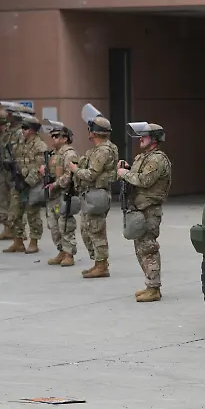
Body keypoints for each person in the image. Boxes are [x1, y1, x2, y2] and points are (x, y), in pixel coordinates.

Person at [117, 122, 172, 302]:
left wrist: (124, 173)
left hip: (149, 209)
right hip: (140, 208)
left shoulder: (157, 159)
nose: (141, 138)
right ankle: (150, 284)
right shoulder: (144, 157)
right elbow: (135, 175)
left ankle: (154, 288)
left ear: (154, 139)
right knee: (140, 248)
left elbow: (144, 180)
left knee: (148, 248)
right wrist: (127, 168)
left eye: (145, 136)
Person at [68, 114, 118, 278]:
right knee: (86, 229)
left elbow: (91, 175)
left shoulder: (103, 151)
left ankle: (102, 265)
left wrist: (75, 170)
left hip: (97, 194)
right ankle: (98, 262)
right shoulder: (98, 150)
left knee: (96, 230)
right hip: (90, 194)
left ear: (94, 132)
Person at [0, 102, 34, 242]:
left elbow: (21, 151)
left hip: (14, 171)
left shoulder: (20, 132)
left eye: (10, 113)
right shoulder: (9, 131)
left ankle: (19, 233)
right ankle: (8, 229)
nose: (8, 116)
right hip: (4, 169)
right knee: (3, 201)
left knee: (15, 203)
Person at [41, 122, 79, 267]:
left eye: (57, 136)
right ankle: (61, 250)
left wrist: (55, 184)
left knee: (65, 225)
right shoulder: (53, 154)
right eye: (52, 136)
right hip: (54, 196)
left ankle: (69, 253)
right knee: (54, 226)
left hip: (64, 194)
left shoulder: (69, 154)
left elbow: (69, 175)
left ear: (65, 138)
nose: (53, 139)